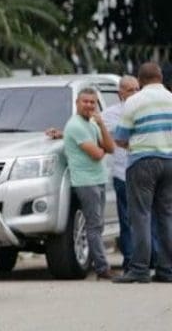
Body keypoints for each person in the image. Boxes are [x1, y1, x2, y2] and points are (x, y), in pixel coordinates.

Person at [113, 62, 172, 283]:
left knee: (140, 215)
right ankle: (167, 270)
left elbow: (120, 137)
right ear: (160, 77)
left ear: (140, 80)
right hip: (169, 162)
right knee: (166, 216)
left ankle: (139, 269)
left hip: (142, 162)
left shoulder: (134, 101)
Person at [62, 87, 116, 279]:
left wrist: (101, 125)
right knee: (93, 226)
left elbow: (110, 147)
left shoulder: (93, 124)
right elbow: (96, 154)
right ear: (77, 103)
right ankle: (102, 268)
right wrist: (102, 150)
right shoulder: (75, 125)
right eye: (85, 101)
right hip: (85, 181)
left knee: (97, 225)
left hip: (98, 179)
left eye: (92, 102)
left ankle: (99, 263)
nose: (89, 105)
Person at [102, 75, 140, 271]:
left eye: (137, 89)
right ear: (121, 94)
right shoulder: (109, 114)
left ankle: (153, 259)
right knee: (126, 220)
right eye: (130, 90)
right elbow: (93, 131)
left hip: (144, 173)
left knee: (149, 219)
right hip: (122, 173)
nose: (134, 93)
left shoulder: (145, 111)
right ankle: (130, 259)